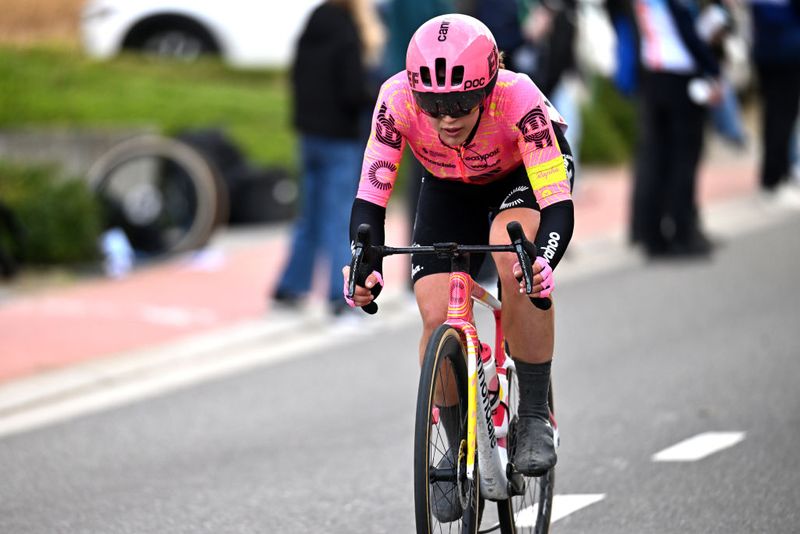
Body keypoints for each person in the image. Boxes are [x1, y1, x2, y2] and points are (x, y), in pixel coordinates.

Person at [342, 14, 575, 521]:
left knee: (509, 254)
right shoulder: (397, 98)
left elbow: (558, 205)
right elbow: (371, 198)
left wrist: (542, 262)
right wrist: (362, 266)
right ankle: (452, 452)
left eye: (461, 104)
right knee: (433, 315)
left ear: (488, 88)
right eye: (434, 106)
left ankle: (534, 413)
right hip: (449, 182)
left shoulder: (519, 97)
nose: (446, 118)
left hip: (524, 176)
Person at [271, 0, 385, 316]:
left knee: (310, 216)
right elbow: (351, 91)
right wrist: (373, 93)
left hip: (308, 135)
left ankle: (290, 286)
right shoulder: (348, 31)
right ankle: (341, 296)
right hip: (339, 138)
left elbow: (297, 75)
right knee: (339, 217)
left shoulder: (314, 21)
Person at [630, 0, 723, 258]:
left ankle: (651, 234)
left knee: (656, 158)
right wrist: (713, 71)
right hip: (679, 75)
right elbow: (688, 29)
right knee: (683, 159)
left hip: (653, 73)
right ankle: (683, 232)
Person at [746, 0, 800, 206]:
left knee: (776, 117)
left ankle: (778, 173)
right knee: (781, 118)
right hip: (785, 52)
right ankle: (775, 177)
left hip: (767, 53)